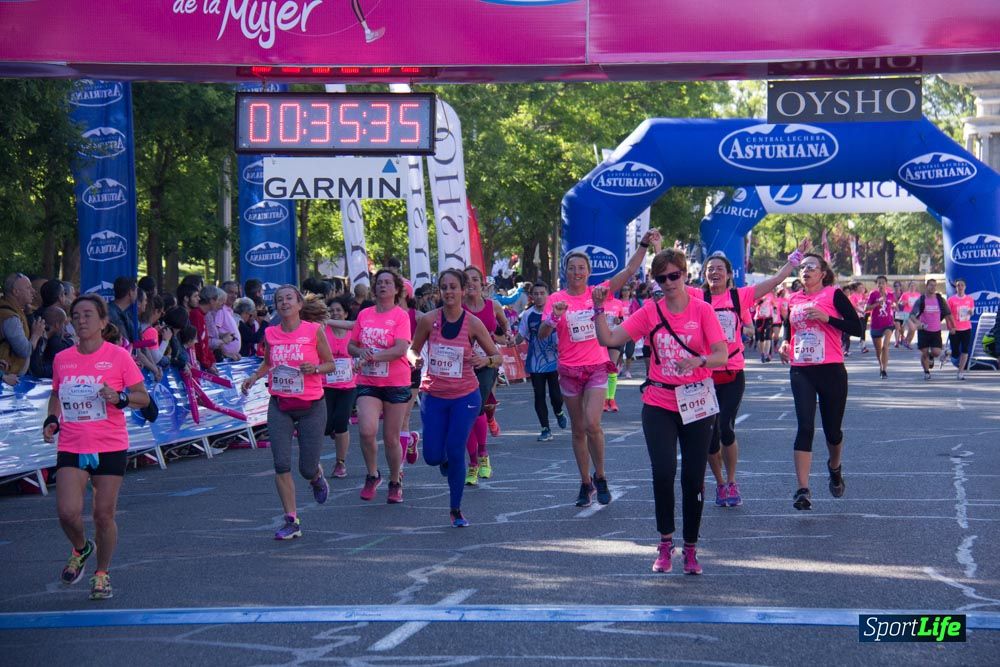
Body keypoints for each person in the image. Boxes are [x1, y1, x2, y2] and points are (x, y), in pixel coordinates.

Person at [593, 248, 728, 574]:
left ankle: (691, 548)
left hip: (696, 402)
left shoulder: (703, 310)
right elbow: (609, 337)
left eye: (674, 276)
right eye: (661, 277)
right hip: (659, 402)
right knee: (664, 473)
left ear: (684, 275)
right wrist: (597, 307)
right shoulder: (650, 313)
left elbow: (722, 354)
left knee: (694, 478)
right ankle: (666, 543)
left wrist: (700, 360)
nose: (668, 283)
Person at [540, 228, 662, 508]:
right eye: (572, 268)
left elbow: (630, 270)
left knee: (592, 423)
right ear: (565, 271)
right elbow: (543, 334)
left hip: (595, 367)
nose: (577, 272)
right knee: (578, 429)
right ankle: (585, 482)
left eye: (581, 268)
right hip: (569, 371)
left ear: (588, 271)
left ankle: (602, 475)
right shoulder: (556, 299)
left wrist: (644, 243)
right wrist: (552, 319)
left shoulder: (600, 293)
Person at [42, 294, 150, 600]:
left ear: (103, 322)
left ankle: (101, 574)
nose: (81, 320)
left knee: (103, 515)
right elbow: (55, 394)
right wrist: (52, 418)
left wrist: (120, 398)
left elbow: (142, 397)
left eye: (88, 314)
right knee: (67, 512)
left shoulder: (119, 357)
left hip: (109, 444)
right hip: (73, 443)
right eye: (76, 315)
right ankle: (81, 548)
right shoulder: (63, 359)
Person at [702, 239, 809, 508]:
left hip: (733, 372)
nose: (714, 272)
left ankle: (733, 479)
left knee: (726, 425)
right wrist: (656, 250)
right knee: (709, 433)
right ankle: (720, 483)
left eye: (719, 269)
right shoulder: (697, 297)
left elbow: (775, 280)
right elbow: (670, 284)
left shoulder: (739, 296)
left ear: (728, 275)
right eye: (709, 269)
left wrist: (795, 258)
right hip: (704, 375)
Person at [241, 285, 336, 540]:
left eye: (289, 299)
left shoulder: (314, 331)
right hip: (280, 404)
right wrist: (253, 377)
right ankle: (291, 521)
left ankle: (316, 477)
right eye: (279, 300)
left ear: (299, 304)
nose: (284, 303)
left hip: (311, 406)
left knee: (306, 467)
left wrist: (314, 368)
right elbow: (268, 362)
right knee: (281, 463)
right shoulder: (270, 333)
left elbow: (330, 364)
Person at [410, 269, 501, 527]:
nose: (449, 292)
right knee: (432, 457)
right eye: (444, 287)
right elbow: (412, 349)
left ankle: (456, 509)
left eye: (453, 287)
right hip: (434, 395)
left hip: (465, 396)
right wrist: (413, 359)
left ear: (463, 290)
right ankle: (443, 459)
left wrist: (485, 359)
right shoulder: (428, 320)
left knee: (455, 447)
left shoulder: (473, 323)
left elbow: (497, 356)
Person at [778, 254, 862, 511]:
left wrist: (828, 319)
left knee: (832, 432)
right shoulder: (794, 298)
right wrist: (784, 342)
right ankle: (803, 489)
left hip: (831, 370)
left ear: (823, 273)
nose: (805, 271)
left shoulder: (833, 295)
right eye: (802, 267)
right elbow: (788, 326)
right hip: (802, 369)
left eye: (811, 267)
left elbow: (857, 328)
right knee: (805, 427)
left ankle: (834, 467)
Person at [348, 268, 412, 503]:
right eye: (379, 283)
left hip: (395, 381)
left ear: (396, 289)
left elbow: (400, 349)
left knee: (391, 437)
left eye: (387, 283)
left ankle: (395, 481)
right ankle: (373, 474)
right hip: (368, 381)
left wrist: (374, 356)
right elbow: (351, 346)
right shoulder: (364, 315)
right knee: (366, 431)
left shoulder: (400, 316)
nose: (382, 286)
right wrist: (360, 352)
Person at [462, 265, 510, 484]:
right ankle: (473, 463)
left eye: (475, 279)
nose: (471, 283)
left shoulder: (493, 305)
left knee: (476, 408)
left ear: (482, 283)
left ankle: (482, 454)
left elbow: (504, 325)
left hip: (487, 363)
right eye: (467, 280)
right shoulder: (457, 307)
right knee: (465, 416)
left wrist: (505, 334)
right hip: (462, 366)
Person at [517, 281, 566, 441]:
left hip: (554, 361)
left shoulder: (556, 312)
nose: (539, 297)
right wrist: (510, 341)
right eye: (536, 294)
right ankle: (545, 428)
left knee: (556, 396)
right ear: (531, 296)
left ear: (547, 295)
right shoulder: (527, 315)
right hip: (536, 363)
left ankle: (559, 411)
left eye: (542, 293)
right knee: (539, 395)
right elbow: (521, 335)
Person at [322, 296, 357, 479]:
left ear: (345, 313)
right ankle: (333, 430)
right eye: (332, 310)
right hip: (326, 384)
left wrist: (359, 363)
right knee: (327, 425)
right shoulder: (323, 330)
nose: (335, 313)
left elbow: (360, 351)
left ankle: (340, 463)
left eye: (338, 310)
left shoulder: (352, 330)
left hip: (348, 384)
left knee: (341, 421)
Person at [908, 278, 955, 381]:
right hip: (924, 331)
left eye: (935, 285)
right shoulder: (921, 299)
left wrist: (953, 326)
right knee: (924, 353)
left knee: (937, 352)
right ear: (926, 286)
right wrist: (918, 323)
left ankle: (931, 356)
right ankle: (926, 372)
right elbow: (911, 315)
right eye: (931, 285)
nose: (933, 287)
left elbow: (948, 314)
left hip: (936, 331)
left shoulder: (940, 299)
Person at [0, 273, 44, 376]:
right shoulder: (9, 317)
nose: (33, 291)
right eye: (28, 288)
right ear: (16, 292)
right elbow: (24, 350)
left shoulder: (13, 310)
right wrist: (36, 335)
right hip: (6, 382)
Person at [177, 284, 216, 373]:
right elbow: (179, 342)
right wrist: (185, 361)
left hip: (192, 363)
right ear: (186, 298)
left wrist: (210, 361)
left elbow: (202, 341)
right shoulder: (185, 316)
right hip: (186, 365)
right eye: (195, 296)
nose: (199, 299)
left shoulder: (194, 314)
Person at [29, 306, 74, 379]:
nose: (65, 329)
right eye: (64, 325)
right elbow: (37, 371)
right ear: (57, 325)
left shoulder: (48, 339)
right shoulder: (39, 339)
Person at [866, 275, 896, 379]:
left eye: (883, 282)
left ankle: (884, 370)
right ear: (876, 284)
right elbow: (866, 308)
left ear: (886, 284)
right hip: (876, 325)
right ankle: (881, 366)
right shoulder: (873, 294)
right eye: (879, 283)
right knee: (878, 350)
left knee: (885, 346)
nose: (881, 284)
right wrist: (877, 303)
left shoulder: (891, 295)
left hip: (888, 324)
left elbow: (893, 305)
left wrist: (894, 307)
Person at [948, 279, 975, 380]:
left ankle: (960, 372)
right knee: (955, 353)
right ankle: (948, 352)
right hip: (955, 328)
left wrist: (970, 312)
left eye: (962, 285)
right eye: (958, 285)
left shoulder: (969, 299)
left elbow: (972, 311)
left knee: (965, 350)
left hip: (966, 327)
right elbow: (947, 315)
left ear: (965, 287)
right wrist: (950, 327)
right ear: (956, 287)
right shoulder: (951, 300)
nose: (960, 287)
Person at [107, 277, 138, 346]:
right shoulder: (111, 314)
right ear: (130, 293)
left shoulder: (125, 313)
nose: (137, 294)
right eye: (136, 290)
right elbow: (125, 343)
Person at [899, 280, 921, 349]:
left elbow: (921, 304)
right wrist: (904, 303)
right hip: (906, 313)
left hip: (915, 314)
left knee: (913, 329)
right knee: (912, 327)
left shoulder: (918, 295)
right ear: (909, 287)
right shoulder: (905, 294)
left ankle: (907, 342)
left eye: (914, 285)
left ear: (916, 287)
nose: (913, 287)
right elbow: (899, 302)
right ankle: (903, 338)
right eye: (911, 286)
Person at [891, 280, 907, 347]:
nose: (897, 287)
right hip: (895, 313)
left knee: (902, 328)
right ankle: (896, 342)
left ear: (900, 286)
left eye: (898, 286)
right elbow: (889, 303)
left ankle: (902, 336)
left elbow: (907, 302)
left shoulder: (903, 294)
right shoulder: (891, 294)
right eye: (895, 286)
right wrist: (893, 305)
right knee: (897, 327)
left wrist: (904, 303)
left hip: (903, 312)